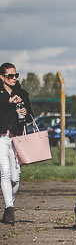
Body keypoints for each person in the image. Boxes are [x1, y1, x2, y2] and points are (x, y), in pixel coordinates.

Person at [0, 63, 34, 225]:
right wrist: (9, 102)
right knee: (5, 172)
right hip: (1, 138)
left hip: (16, 138)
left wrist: (24, 112)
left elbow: (30, 117)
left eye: (15, 75)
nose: (13, 79)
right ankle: (9, 208)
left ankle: (9, 206)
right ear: (2, 77)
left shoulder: (22, 94)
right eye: (9, 76)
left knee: (16, 177)